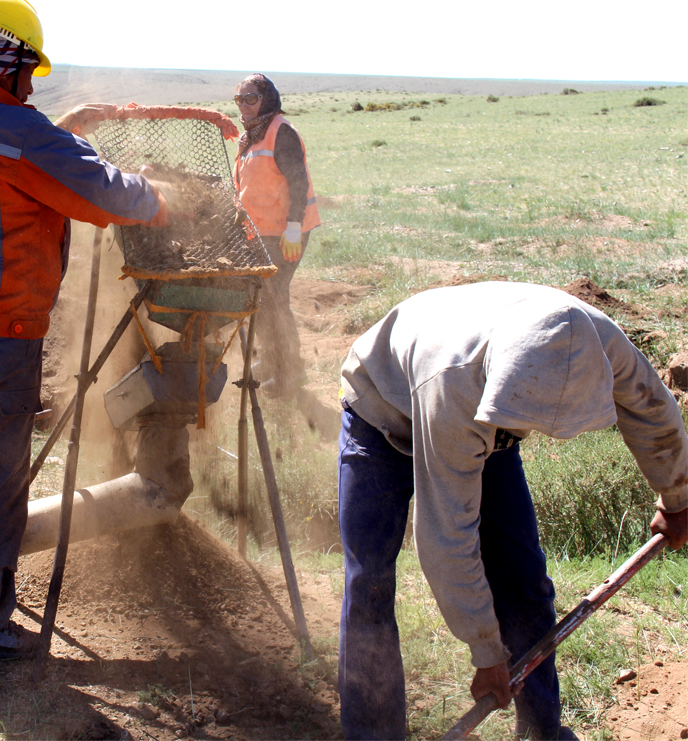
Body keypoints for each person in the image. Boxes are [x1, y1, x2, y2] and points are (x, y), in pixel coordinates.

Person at [0, 0, 168, 662]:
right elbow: (104, 194)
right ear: (5, 60)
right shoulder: (15, 126)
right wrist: (161, 199)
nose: (31, 85)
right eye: (28, 71)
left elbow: (17, 164)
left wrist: (58, 132)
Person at [336, 281, 688, 740]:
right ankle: (374, 735)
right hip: (381, 403)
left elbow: (653, 411)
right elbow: (447, 536)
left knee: (523, 581)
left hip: (484, 417)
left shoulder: (597, 340)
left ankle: (541, 732)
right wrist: (487, 652)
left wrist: (679, 497)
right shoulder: (453, 389)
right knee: (370, 583)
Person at [232, 73, 321, 403]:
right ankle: (273, 362)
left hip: (285, 234)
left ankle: (288, 374)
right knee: (263, 300)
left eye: (251, 98)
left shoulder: (279, 131)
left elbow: (298, 182)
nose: (244, 105)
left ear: (266, 100)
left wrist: (294, 226)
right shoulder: (251, 136)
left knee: (274, 299)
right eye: (240, 99)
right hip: (260, 233)